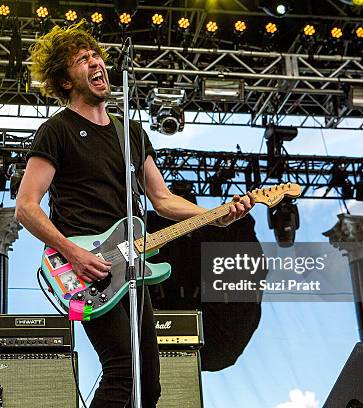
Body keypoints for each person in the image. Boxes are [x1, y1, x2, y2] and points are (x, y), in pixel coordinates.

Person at [15, 20, 254, 408]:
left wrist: (215, 215)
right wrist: (73, 252)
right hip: (86, 266)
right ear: (64, 81)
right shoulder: (56, 130)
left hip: (130, 266)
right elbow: (26, 208)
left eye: (96, 55)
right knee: (122, 370)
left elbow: (161, 200)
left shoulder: (132, 132)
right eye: (82, 59)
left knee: (149, 383)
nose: (96, 63)